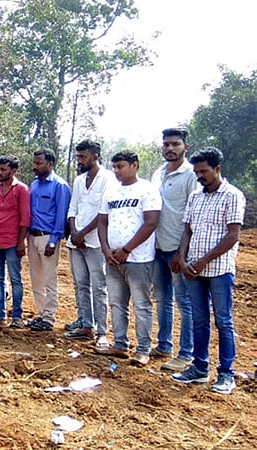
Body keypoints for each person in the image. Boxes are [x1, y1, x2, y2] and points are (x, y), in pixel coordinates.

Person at [170, 147, 245, 395]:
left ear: (217, 169)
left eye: (204, 171)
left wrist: (202, 261)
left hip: (219, 270)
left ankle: (226, 374)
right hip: (192, 270)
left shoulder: (233, 196)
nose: (200, 175)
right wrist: (182, 259)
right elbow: (187, 231)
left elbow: (232, 236)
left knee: (223, 321)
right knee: (199, 320)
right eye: (197, 171)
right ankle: (200, 368)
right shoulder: (195, 197)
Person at [95, 151, 161, 366]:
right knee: (116, 303)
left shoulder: (147, 190)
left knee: (141, 304)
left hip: (138, 259)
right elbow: (102, 222)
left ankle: (143, 349)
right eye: (114, 167)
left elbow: (151, 223)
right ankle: (121, 345)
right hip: (113, 258)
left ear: (134, 166)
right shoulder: (111, 192)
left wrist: (127, 249)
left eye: (120, 166)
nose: (116, 171)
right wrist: (105, 248)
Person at [151, 128, 199, 372]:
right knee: (162, 299)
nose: (170, 148)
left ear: (185, 147)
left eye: (175, 144)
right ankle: (164, 345)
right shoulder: (158, 173)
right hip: (158, 246)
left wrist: (183, 252)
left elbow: (193, 216)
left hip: (179, 249)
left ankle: (186, 353)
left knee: (184, 302)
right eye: (166, 144)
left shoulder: (191, 174)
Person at [64, 140, 115, 346]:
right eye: (78, 156)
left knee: (98, 286)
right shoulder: (79, 180)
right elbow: (72, 208)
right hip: (76, 242)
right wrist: (74, 232)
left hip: (95, 242)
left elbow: (104, 212)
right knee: (80, 284)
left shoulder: (108, 179)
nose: (79, 160)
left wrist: (83, 234)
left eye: (82, 157)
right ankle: (86, 326)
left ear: (95, 157)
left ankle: (102, 331)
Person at [26, 149, 71, 331]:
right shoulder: (34, 185)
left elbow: (61, 216)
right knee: (36, 279)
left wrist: (53, 241)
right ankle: (41, 314)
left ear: (50, 164)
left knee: (49, 279)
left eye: (39, 163)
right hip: (33, 236)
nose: (35, 166)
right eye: (35, 163)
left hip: (48, 238)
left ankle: (49, 317)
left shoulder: (60, 186)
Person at [0, 155, 30, 328]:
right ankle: (0, 313)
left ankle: (17, 315)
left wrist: (21, 242)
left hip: (12, 241)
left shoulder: (21, 190)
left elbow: (25, 218)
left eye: (3, 170)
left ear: (13, 171)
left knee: (15, 279)